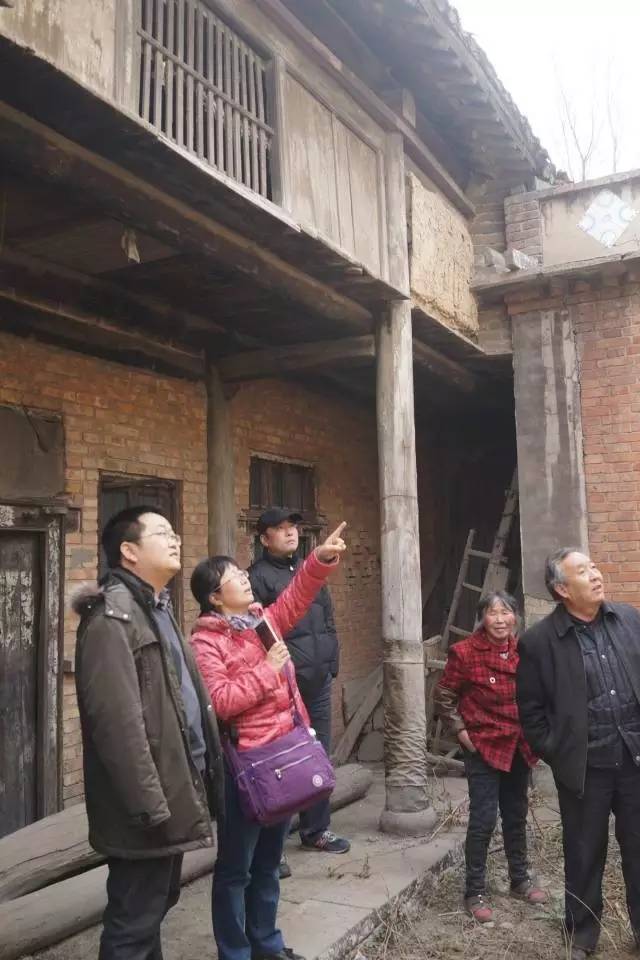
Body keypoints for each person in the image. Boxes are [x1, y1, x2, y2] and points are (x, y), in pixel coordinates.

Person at [189, 521, 347, 960]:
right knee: (235, 869)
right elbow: (221, 702)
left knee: (268, 864)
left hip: (284, 759)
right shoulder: (205, 642)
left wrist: (319, 559)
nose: (245, 578)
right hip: (247, 768)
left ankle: (267, 945)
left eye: (243, 573)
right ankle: (235, 953)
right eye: (234, 577)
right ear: (215, 597)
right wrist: (267, 670)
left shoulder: (261, 622)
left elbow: (296, 596)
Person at [73, 505, 223, 960]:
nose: (175, 539)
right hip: (149, 804)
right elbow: (117, 727)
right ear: (129, 551)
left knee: (154, 907)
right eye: (162, 533)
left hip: (172, 790)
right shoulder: (112, 619)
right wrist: (148, 807)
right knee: (134, 920)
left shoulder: (155, 607)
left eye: (175, 532)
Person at [517, 548, 640, 959]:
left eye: (594, 567)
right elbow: (531, 713)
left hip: (634, 760)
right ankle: (583, 936)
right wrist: (558, 751)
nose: (596, 575)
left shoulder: (629, 620)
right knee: (584, 855)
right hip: (586, 769)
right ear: (562, 589)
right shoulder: (538, 642)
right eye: (583, 571)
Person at [249, 508, 350, 879]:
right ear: (264, 539)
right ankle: (272, 849)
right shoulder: (256, 577)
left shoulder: (309, 571)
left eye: (293, 527)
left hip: (318, 679)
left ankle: (316, 829)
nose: (290, 533)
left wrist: (332, 660)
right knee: (282, 761)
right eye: (280, 529)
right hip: (284, 685)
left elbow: (327, 620)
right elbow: (259, 632)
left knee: (318, 754)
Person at [435, 591, 546, 923]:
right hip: (483, 746)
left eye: (506, 612)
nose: (500, 620)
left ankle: (519, 879)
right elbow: (443, 694)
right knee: (483, 820)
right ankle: (475, 890)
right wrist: (461, 732)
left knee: (516, 815)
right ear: (482, 618)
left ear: (515, 617)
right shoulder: (465, 652)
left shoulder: (524, 651)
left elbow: (538, 694)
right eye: (493, 613)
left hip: (518, 746)